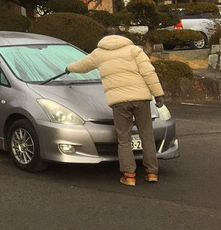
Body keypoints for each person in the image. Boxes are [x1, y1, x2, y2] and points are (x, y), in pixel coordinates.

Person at [66, 27, 165, 186]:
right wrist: (158, 94)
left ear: (104, 37)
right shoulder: (135, 50)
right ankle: (152, 172)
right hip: (141, 98)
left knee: (124, 138)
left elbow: (82, 66)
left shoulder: (99, 53)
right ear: (122, 36)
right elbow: (149, 72)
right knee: (147, 135)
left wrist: (68, 68)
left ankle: (129, 175)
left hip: (119, 102)